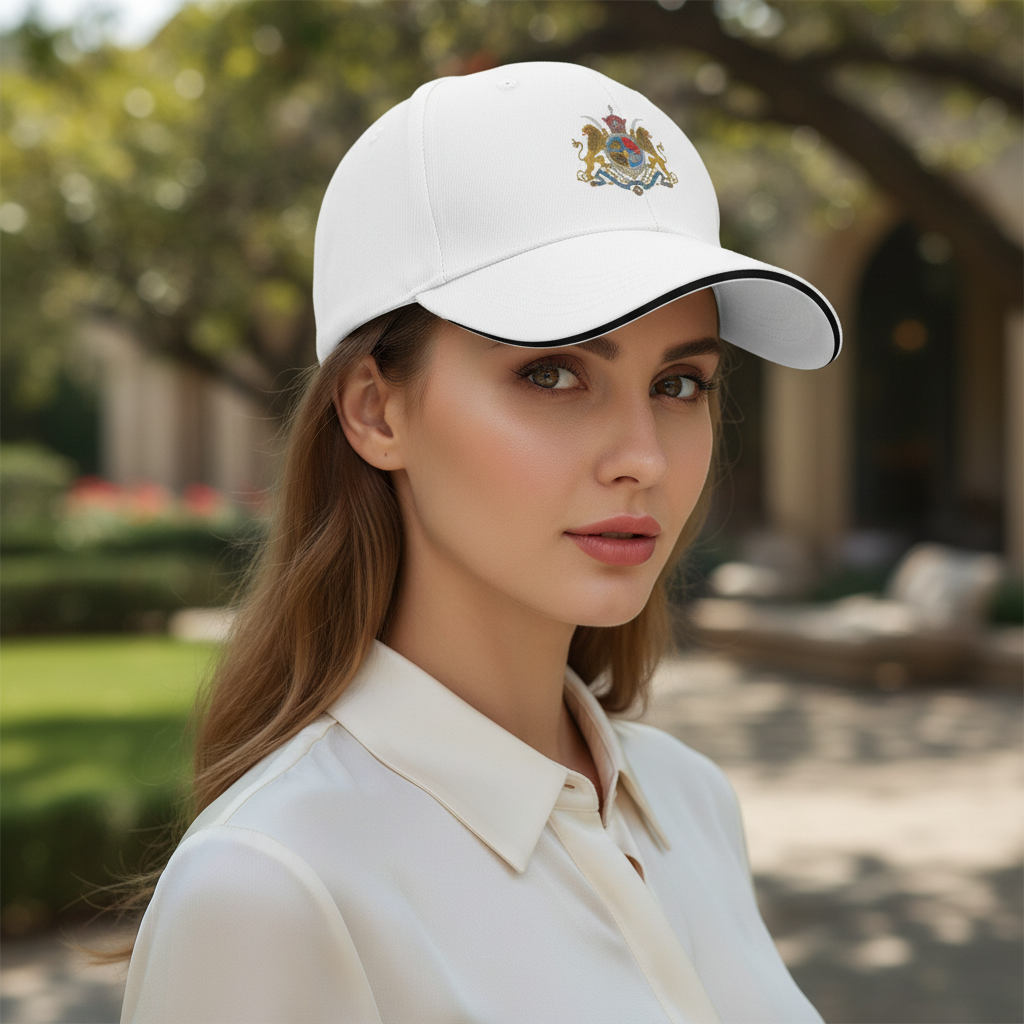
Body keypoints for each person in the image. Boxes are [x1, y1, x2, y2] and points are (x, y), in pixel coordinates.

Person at [120, 62, 839, 1023]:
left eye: (680, 385)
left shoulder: (687, 803)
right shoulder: (272, 889)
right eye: (552, 374)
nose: (642, 459)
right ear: (376, 411)